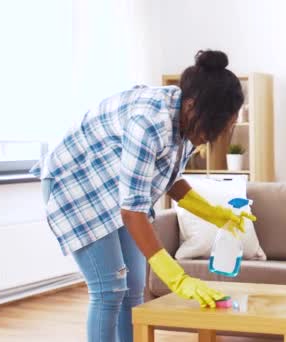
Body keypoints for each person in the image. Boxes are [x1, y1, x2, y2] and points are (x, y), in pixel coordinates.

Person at [30, 50, 255, 342]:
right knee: (109, 290)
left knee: (134, 288)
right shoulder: (149, 122)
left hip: (114, 188)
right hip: (76, 185)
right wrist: (178, 278)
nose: (208, 137)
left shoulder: (186, 120)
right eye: (213, 126)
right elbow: (133, 210)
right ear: (192, 105)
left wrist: (216, 214)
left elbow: (170, 178)